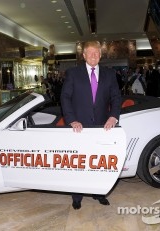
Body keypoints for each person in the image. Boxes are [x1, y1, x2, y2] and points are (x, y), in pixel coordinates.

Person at [60, 41, 122, 210]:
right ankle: (77, 197)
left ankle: (99, 193)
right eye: (90, 53)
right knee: (79, 163)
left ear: (101, 55)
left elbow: (116, 98)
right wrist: (71, 119)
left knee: (99, 163)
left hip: (103, 128)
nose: (94, 56)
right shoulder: (73, 73)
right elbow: (65, 97)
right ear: (84, 55)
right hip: (79, 128)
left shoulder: (110, 74)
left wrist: (113, 117)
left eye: (97, 53)